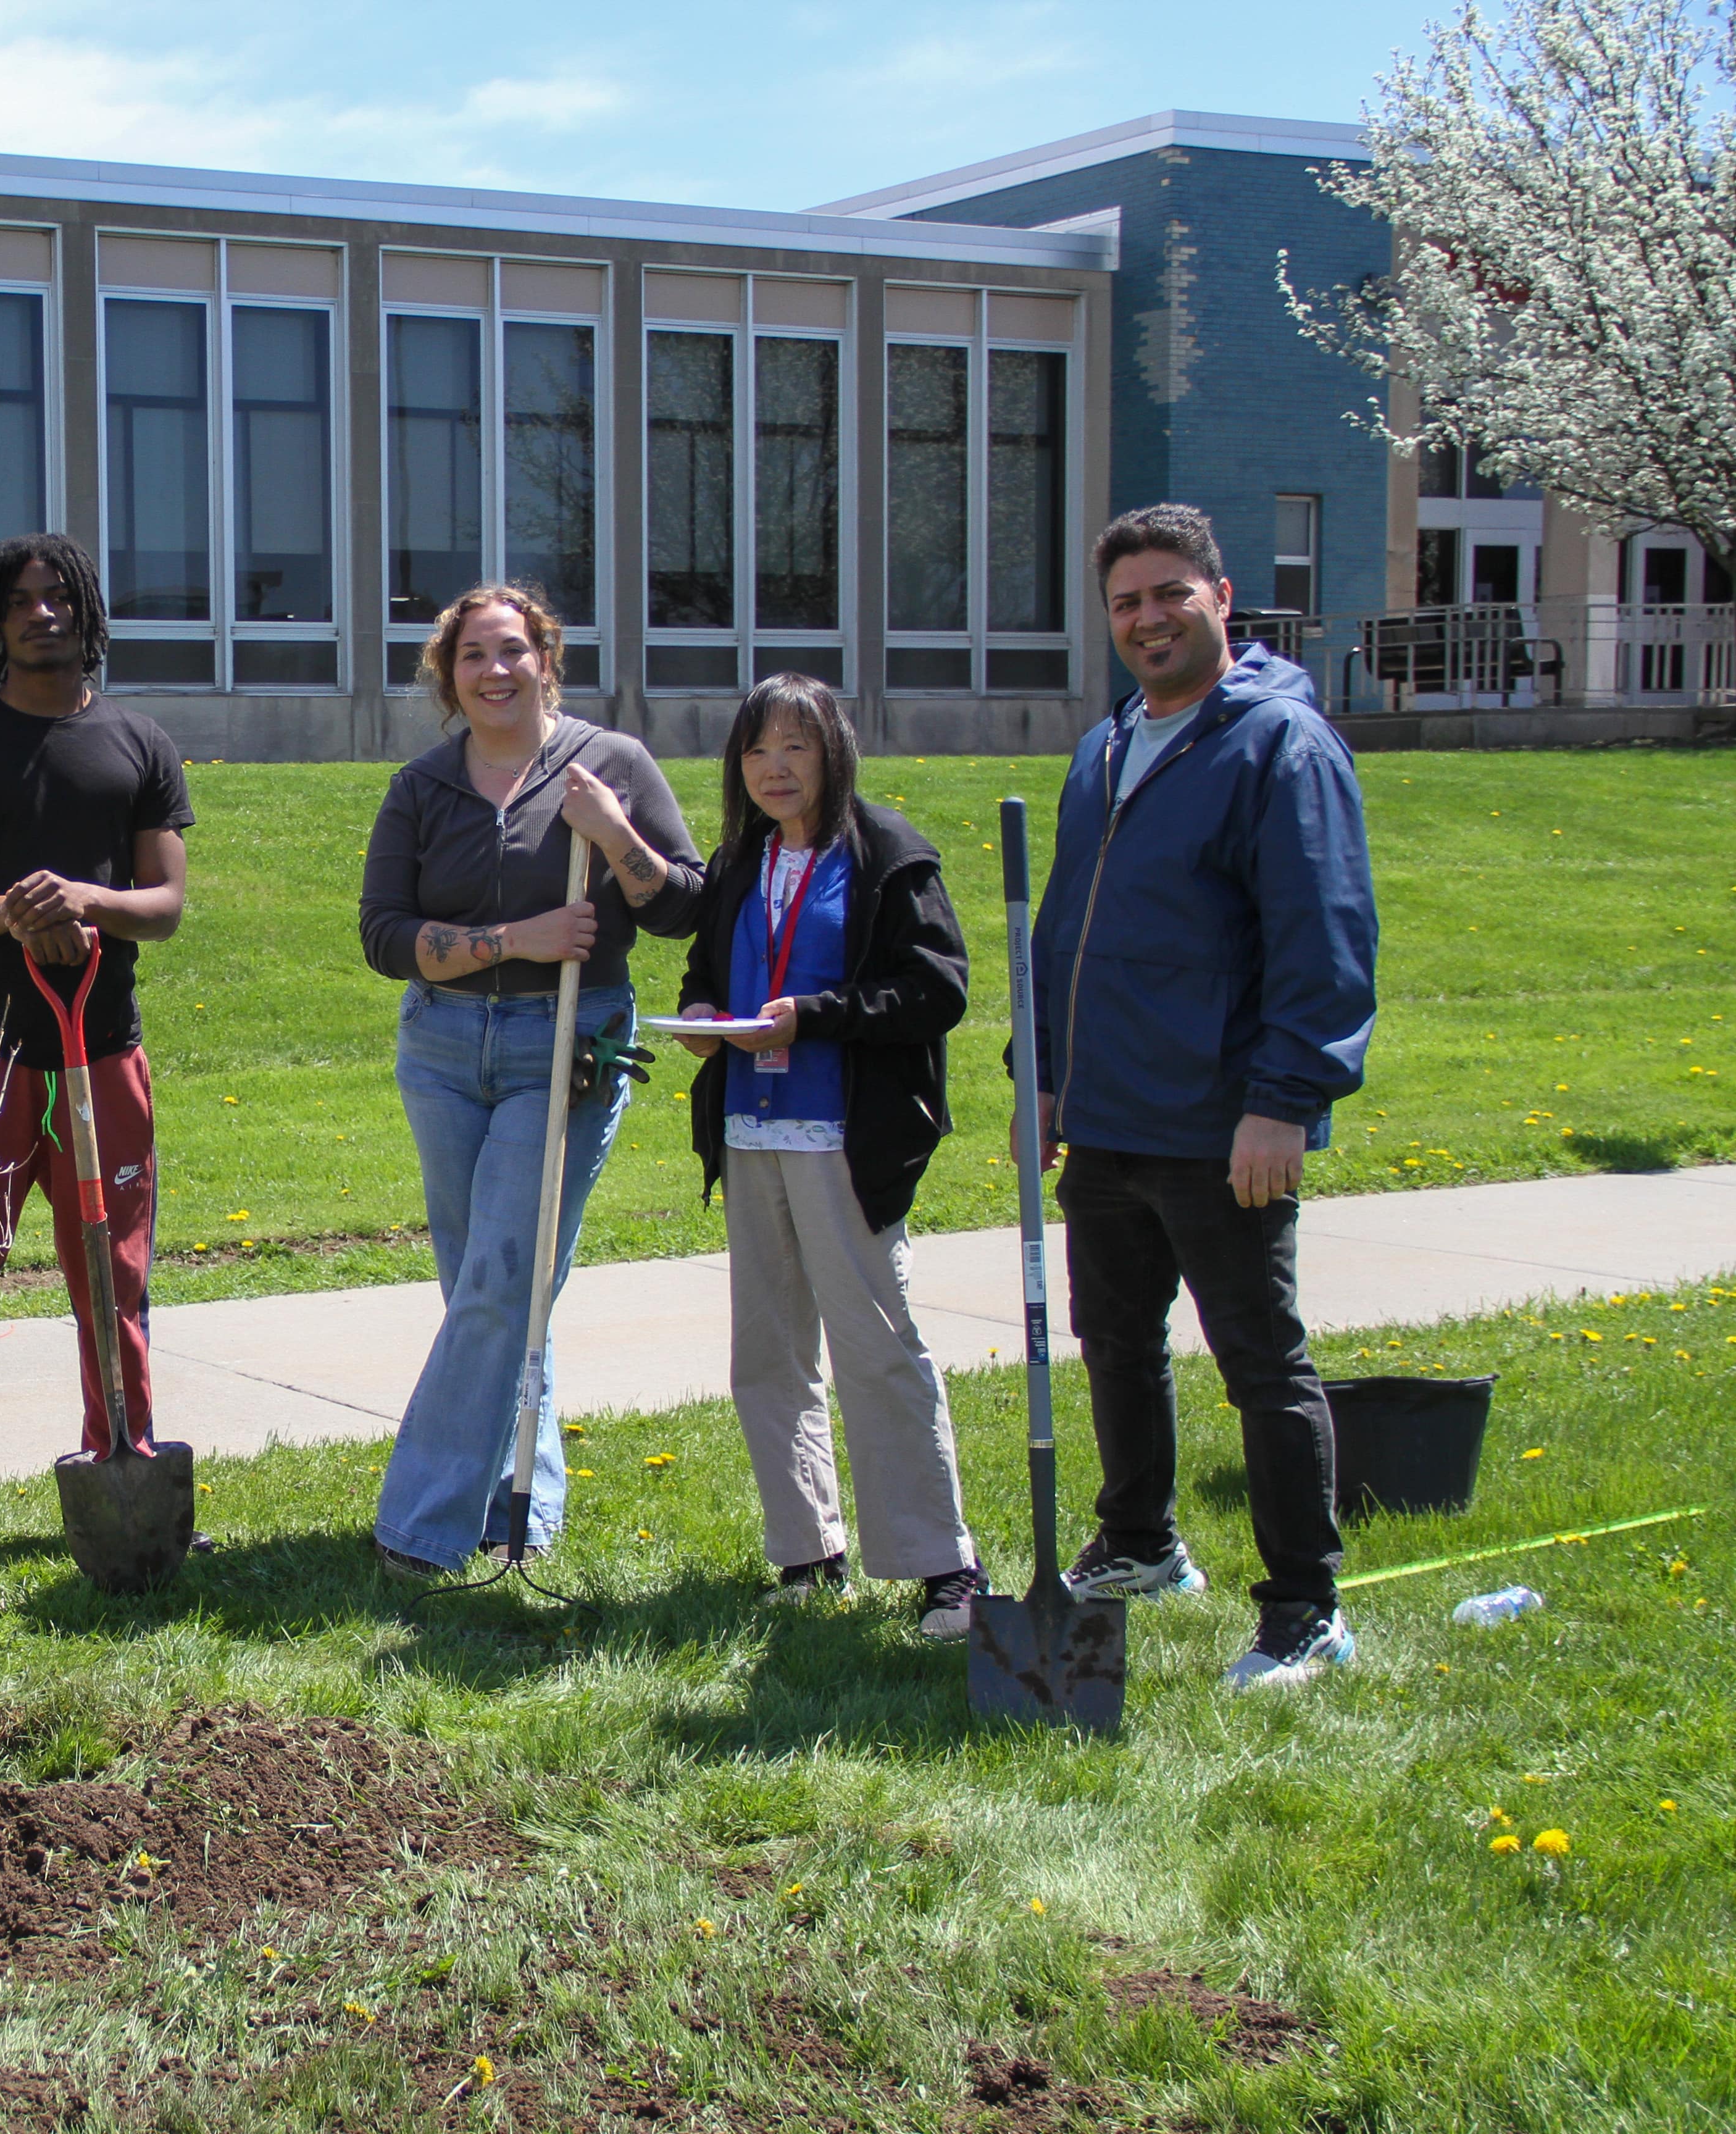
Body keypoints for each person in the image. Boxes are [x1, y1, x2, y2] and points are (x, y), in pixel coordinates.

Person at [1030, 503, 1378, 1690]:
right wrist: (1045, 1083)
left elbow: (1323, 939)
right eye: (1127, 602)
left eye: (1172, 593)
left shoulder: (1280, 745)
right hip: (1108, 1117)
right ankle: (1141, 1544)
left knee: (1259, 1363)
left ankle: (1304, 1611)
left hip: (1224, 1126)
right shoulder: (1110, 743)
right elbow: (1062, 930)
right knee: (1115, 1344)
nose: (1148, 618)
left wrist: (1283, 1100)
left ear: (1223, 600)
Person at [357, 584, 706, 1580]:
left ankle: (422, 1528)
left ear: (546, 660)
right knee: (492, 1289)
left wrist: (616, 839)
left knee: (504, 1279)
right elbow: (385, 936)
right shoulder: (422, 788)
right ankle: (525, 1502)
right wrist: (516, 940)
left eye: (514, 651)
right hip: (442, 1050)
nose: (494, 671)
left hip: (567, 1043)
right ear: (448, 674)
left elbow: (682, 906)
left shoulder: (612, 765)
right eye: (474, 655)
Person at [0, 534, 191, 1566]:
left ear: (86, 612)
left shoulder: (140, 743)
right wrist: (15, 914)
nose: (41, 612)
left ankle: (123, 1456)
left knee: (114, 1274)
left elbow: (165, 905)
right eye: (19, 600)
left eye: (58, 596)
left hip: (104, 1053)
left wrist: (87, 899)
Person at [668, 676, 984, 1639]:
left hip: (846, 1143)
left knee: (878, 1351)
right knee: (767, 1357)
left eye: (797, 748)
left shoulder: (889, 855)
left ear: (834, 754)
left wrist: (815, 1020)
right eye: (758, 749)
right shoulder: (739, 860)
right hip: (750, 1137)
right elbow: (706, 975)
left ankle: (942, 1567)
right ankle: (808, 1551)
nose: (775, 767)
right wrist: (698, 1019)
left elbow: (937, 990)